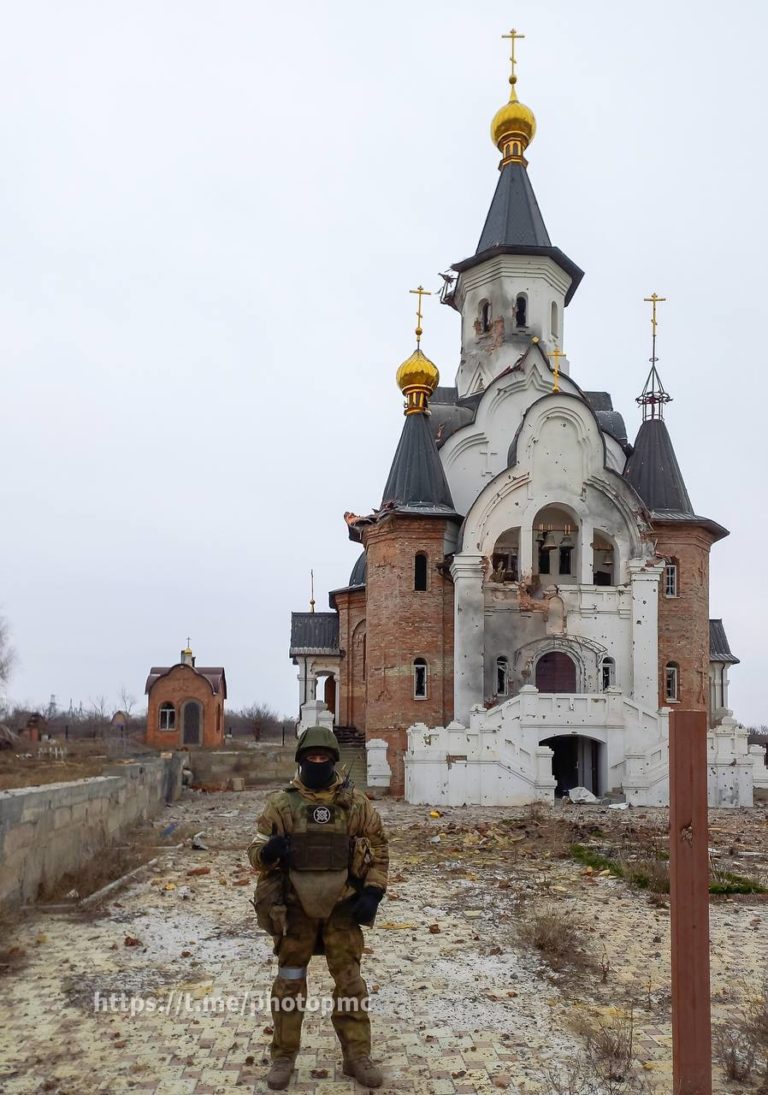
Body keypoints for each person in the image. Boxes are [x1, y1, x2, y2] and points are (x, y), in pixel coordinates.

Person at [247, 725, 389, 1091]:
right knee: (290, 983)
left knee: (350, 983)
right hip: (295, 908)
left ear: (333, 760)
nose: (317, 762)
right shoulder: (282, 804)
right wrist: (268, 852)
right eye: (311, 757)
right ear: (301, 759)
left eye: (323, 757)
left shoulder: (355, 803)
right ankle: (283, 1055)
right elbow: (254, 852)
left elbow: (379, 849)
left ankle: (357, 1055)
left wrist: (373, 892)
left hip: (343, 906)